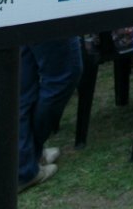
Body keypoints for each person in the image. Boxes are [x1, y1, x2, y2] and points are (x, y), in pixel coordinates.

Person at [17, 37, 81, 192]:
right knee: (63, 77)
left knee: (22, 89)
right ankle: (25, 164)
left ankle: (24, 161)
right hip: (42, 18)